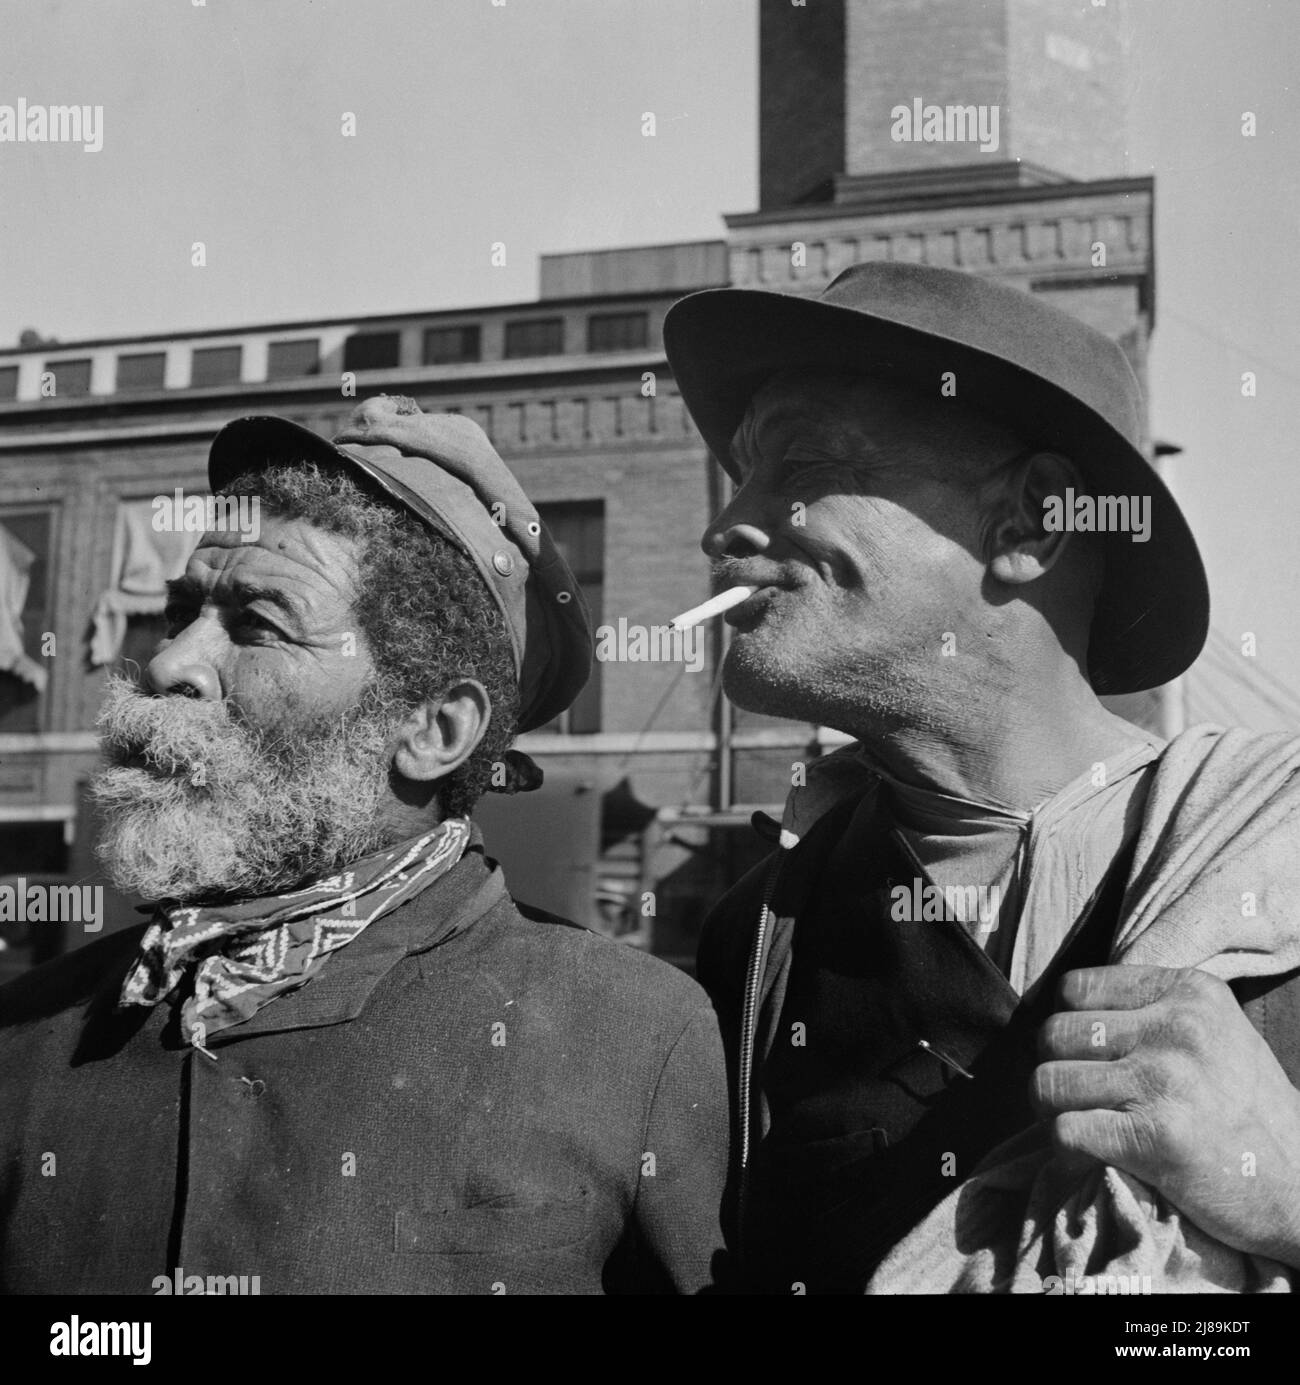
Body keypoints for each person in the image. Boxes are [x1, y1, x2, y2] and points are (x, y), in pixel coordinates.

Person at [662, 262, 1300, 1293]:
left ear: (1029, 522)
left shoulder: (1276, 848)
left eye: (800, 466)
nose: (727, 522)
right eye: (742, 473)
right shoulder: (762, 935)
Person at [0, 395, 729, 1295]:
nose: (168, 663)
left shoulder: (630, 1036)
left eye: (259, 624)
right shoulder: (29, 1032)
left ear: (433, 729)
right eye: (180, 612)